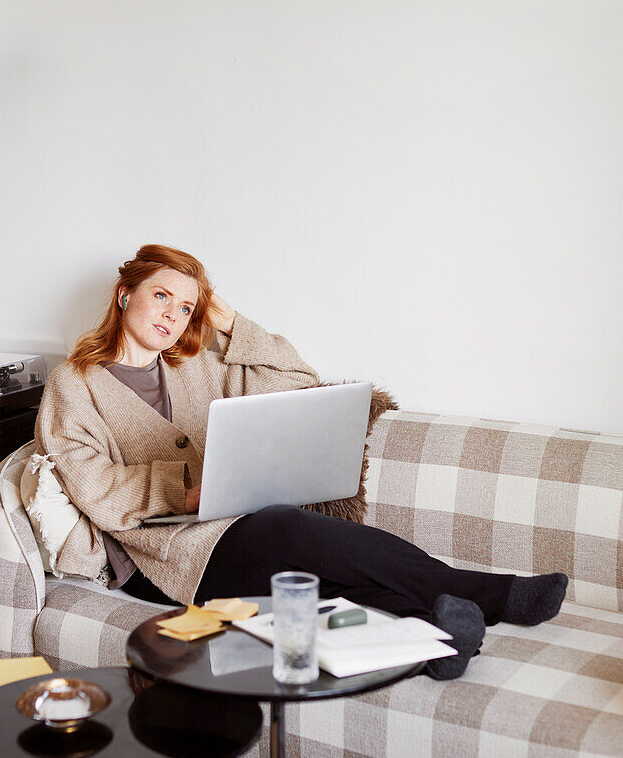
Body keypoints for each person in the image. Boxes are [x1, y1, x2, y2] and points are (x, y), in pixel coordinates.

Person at [35, 244, 568, 680]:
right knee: (289, 527)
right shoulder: (73, 383)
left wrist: (231, 322)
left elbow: (297, 380)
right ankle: (496, 594)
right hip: (162, 558)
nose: (173, 317)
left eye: (187, 308)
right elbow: (90, 480)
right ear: (125, 294)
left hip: (229, 530)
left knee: (321, 586)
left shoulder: (198, 363)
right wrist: (182, 490)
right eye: (162, 297)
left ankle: (442, 637)